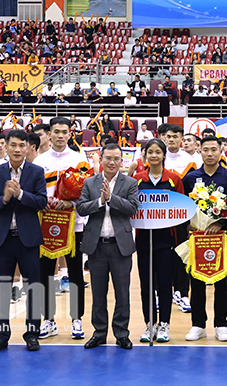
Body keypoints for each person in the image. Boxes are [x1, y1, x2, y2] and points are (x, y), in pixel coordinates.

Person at [0, 129, 48, 353]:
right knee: (2, 288)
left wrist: (20, 194)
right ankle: (1, 335)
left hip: (28, 238)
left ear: (28, 147)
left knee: (33, 287)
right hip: (3, 239)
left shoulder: (37, 172)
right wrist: (4, 198)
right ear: (6, 147)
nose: (18, 149)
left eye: (22, 145)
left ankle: (32, 334)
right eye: (13, 145)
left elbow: (42, 201)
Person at [34, 117, 94, 341]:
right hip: (45, 224)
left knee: (76, 272)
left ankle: (77, 319)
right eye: (56, 131)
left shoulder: (80, 161)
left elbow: (88, 193)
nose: (60, 136)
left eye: (64, 132)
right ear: (49, 134)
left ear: (71, 134)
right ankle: (48, 320)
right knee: (45, 273)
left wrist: (71, 203)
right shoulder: (39, 161)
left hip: (74, 224)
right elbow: (34, 192)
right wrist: (44, 202)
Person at [76, 143, 138, 350]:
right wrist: (101, 202)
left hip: (121, 246)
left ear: (122, 161)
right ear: (101, 159)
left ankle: (121, 333)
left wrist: (112, 198)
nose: (112, 162)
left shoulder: (130, 182)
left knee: (122, 293)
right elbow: (82, 208)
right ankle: (99, 333)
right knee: (98, 294)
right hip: (97, 246)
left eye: (116, 159)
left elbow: (132, 208)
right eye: (108, 158)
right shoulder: (89, 182)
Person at [181, 136, 227, 342]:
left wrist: (220, 223)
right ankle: (198, 324)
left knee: (221, 280)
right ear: (199, 150)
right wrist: (189, 226)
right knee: (196, 280)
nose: (210, 153)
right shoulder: (191, 178)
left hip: (220, 237)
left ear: (221, 150)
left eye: (214, 149)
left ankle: (221, 324)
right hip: (197, 237)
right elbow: (184, 207)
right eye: (206, 149)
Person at [133, 138, 186, 343]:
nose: (154, 155)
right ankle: (149, 324)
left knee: (165, 285)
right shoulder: (137, 179)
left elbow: (182, 209)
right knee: (146, 285)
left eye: (158, 152)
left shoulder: (174, 179)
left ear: (164, 155)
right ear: (145, 155)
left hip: (167, 241)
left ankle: (164, 324)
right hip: (144, 241)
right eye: (150, 152)